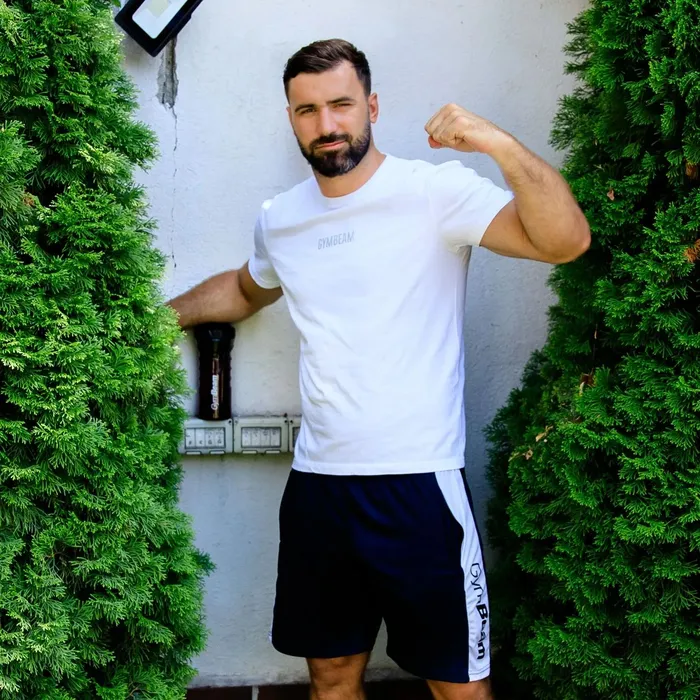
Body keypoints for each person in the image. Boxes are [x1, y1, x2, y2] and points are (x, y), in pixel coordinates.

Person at [168, 39, 590, 700]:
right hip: (318, 488)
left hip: (419, 484)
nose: (326, 124)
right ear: (291, 119)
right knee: (331, 679)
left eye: (341, 104)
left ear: (371, 106)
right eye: (307, 110)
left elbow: (566, 241)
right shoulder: (282, 220)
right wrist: (151, 320)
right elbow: (247, 290)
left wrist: (496, 144)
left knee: (459, 688)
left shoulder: (434, 192)